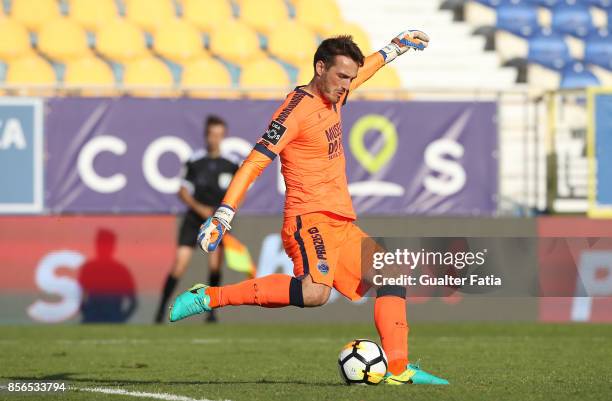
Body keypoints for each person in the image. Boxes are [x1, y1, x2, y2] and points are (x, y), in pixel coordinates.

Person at [169, 32, 449, 384]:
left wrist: (394, 48)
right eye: (341, 77)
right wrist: (224, 214)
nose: (347, 85)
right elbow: (255, 162)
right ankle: (210, 297)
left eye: (350, 78)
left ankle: (398, 369)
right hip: (308, 219)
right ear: (320, 68)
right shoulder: (294, 112)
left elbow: (363, 72)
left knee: (391, 274)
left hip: (341, 221)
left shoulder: (336, 93)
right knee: (315, 293)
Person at [154, 115, 238, 323]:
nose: (215, 139)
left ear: (223, 136)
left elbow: (238, 193)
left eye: (219, 135)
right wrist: (200, 209)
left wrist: (222, 213)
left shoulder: (231, 163)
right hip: (194, 219)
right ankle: (161, 309)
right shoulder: (194, 161)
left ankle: (212, 312)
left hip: (217, 221)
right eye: (212, 134)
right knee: (179, 265)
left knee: (215, 265)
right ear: (206, 135)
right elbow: (182, 191)